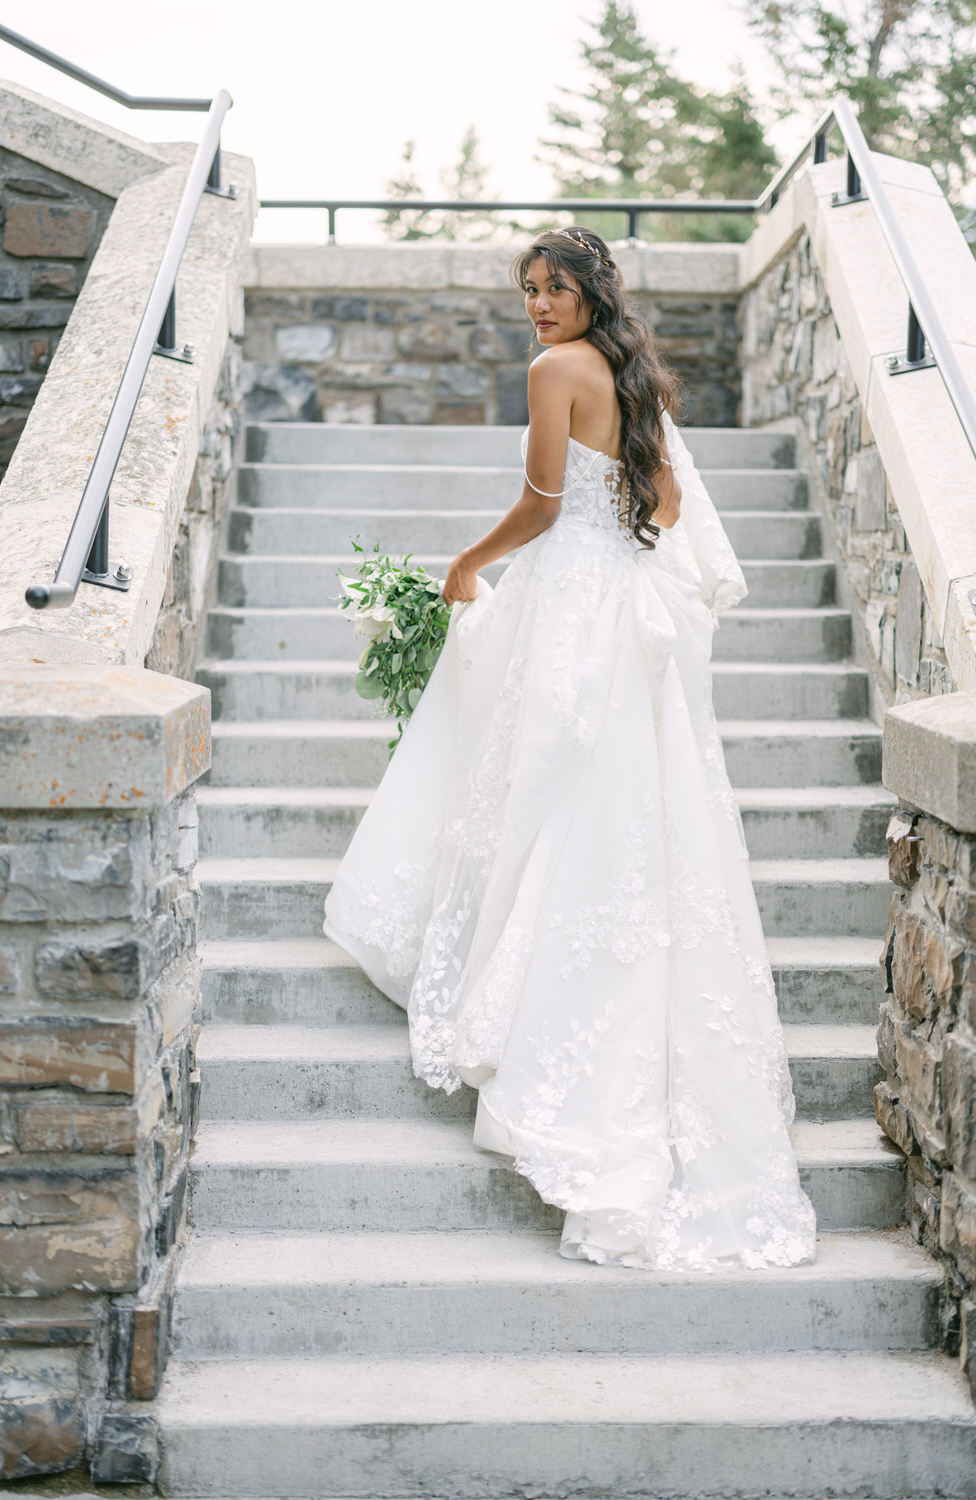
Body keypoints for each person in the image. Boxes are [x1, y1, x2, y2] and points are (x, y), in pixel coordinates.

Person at [323, 226, 817, 1271]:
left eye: (555, 288)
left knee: (546, 784)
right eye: (530, 290)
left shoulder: (555, 371)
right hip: (623, 600)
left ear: (592, 291)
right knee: (614, 801)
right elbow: (668, 508)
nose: (540, 306)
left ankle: (524, 983)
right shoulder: (634, 378)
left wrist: (464, 562)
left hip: (571, 603)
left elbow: (545, 505)